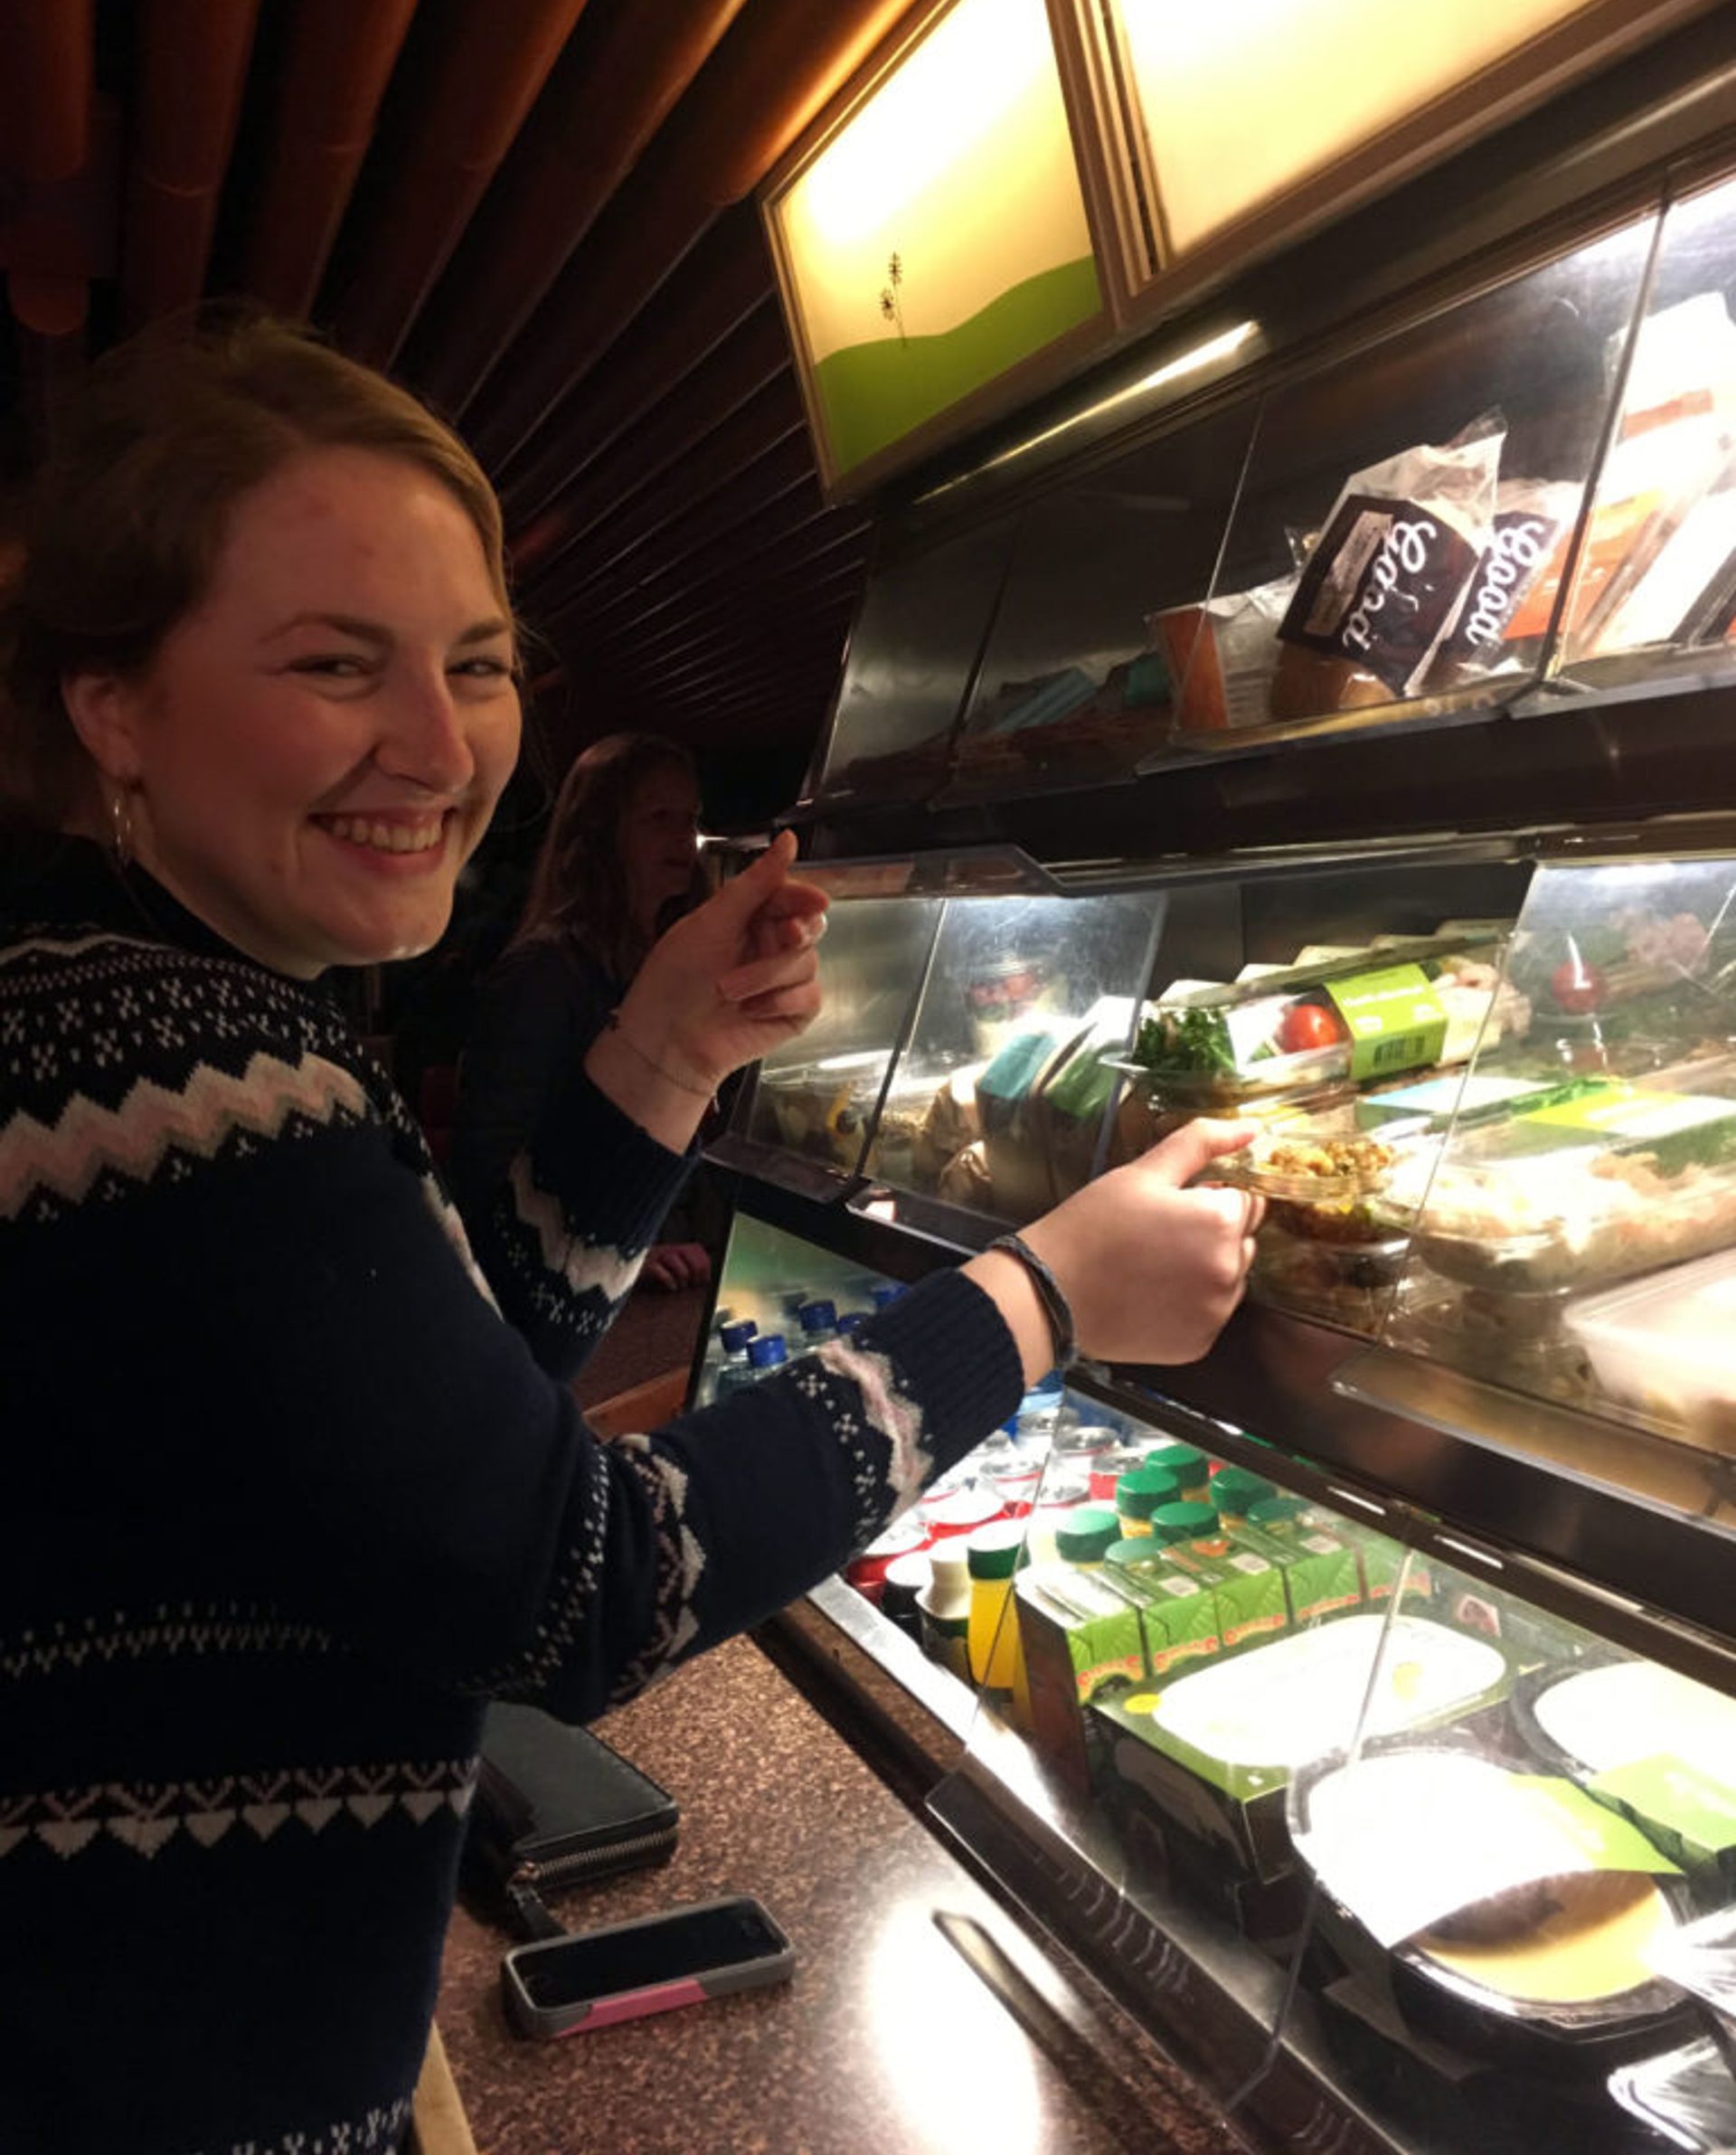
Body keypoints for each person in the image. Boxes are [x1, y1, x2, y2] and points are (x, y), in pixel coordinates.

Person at [0, 314, 1260, 2155]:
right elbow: (575, 1586)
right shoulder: (184, 1063)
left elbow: (427, 1434)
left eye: (479, 662)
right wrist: (1047, 1293)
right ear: (114, 704)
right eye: (335, 661)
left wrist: (663, 1051)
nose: (438, 744)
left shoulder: (108, 995)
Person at [453, 732, 715, 1297]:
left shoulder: (668, 958)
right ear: (599, 834)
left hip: (662, 1266)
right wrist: (625, 1257)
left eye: (689, 816)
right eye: (658, 817)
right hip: (564, 1290)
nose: (682, 837)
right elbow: (486, 1173)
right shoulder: (542, 973)